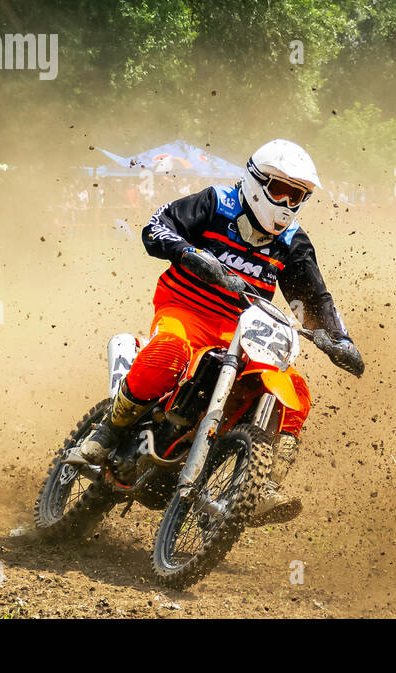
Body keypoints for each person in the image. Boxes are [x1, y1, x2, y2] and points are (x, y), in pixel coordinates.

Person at [78, 139, 363, 518]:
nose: (287, 205)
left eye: (298, 197)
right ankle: (109, 431)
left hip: (241, 329)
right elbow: (156, 228)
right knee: (171, 351)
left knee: (293, 389)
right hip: (186, 310)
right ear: (257, 181)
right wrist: (191, 254)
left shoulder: (292, 242)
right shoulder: (216, 203)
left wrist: (338, 338)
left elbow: (312, 300)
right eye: (280, 191)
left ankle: (263, 485)